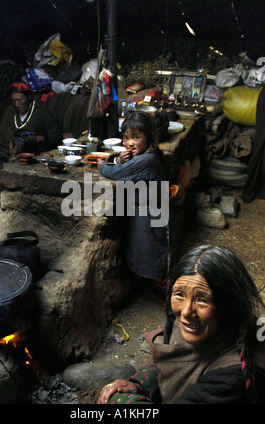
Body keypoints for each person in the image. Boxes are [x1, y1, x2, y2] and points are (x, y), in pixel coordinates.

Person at [97, 245, 265, 404]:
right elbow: (171, 361)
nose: (185, 312)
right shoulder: (186, 320)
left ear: (228, 305)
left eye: (202, 300)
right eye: (179, 295)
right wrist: (138, 385)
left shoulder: (231, 376)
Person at [97, 111, 178, 297]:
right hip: (148, 212)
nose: (130, 143)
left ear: (149, 137)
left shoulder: (147, 160)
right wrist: (118, 159)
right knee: (147, 249)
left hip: (153, 216)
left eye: (136, 137)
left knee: (156, 251)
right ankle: (150, 283)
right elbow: (124, 167)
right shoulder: (148, 155)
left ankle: (166, 290)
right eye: (125, 138)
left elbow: (116, 173)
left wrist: (103, 165)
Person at [0, 81, 62, 191]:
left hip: (29, 155)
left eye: (20, 100)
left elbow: (56, 135)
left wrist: (41, 138)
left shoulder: (41, 111)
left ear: (28, 97)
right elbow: (0, 132)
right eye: (14, 101)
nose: (17, 104)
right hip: (7, 152)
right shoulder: (10, 111)